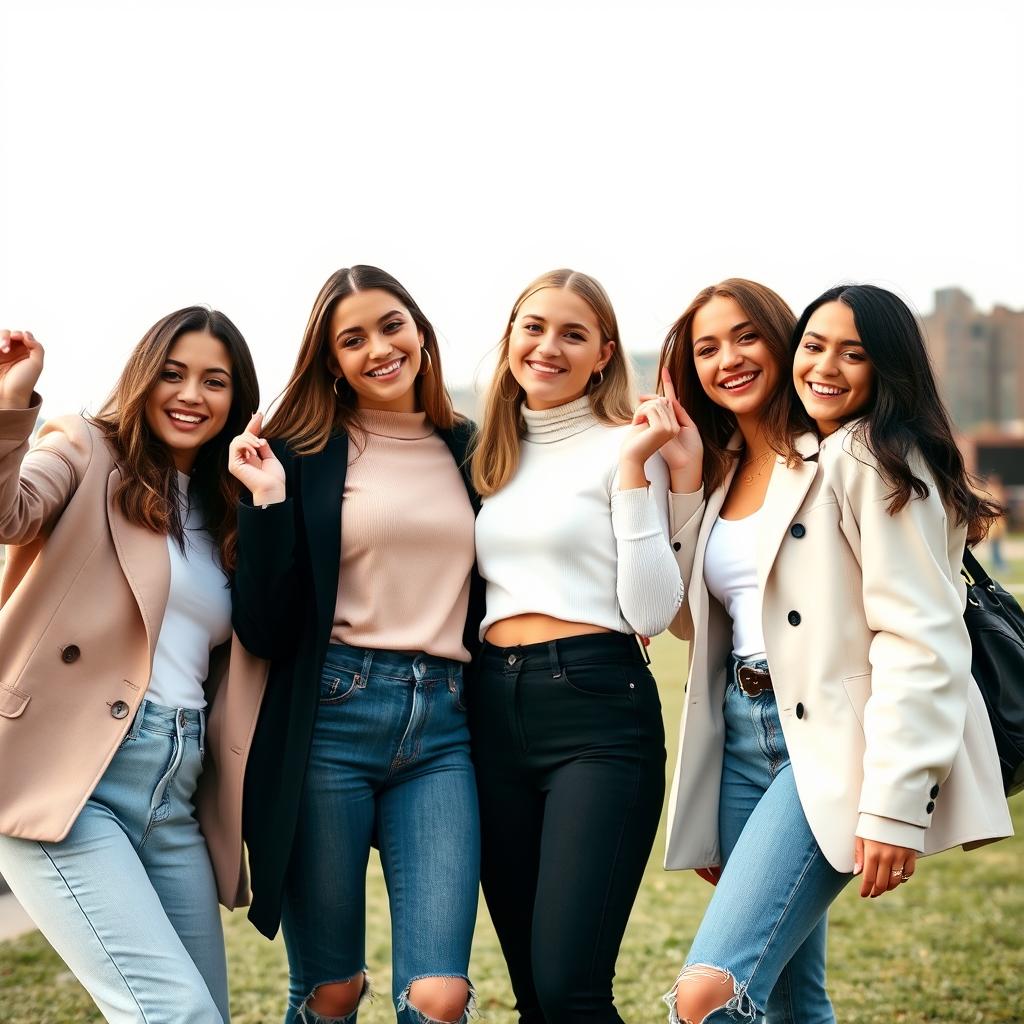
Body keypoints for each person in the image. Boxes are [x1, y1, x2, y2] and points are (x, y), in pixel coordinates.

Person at [660, 281, 1013, 1024]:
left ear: (778, 341)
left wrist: (893, 805)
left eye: (747, 337)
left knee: (709, 995)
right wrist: (686, 479)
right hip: (742, 741)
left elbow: (919, 636)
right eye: (707, 347)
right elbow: (689, 625)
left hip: (832, 744)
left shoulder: (863, 452)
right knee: (789, 996)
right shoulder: (725, 471)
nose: (729, 359)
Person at [228, 266, 483, 1024]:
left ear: (420, 330)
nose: (379, 347)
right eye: (353, 338)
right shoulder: (300, 452)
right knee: (330, 992)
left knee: (440, 996)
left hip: (442, 727)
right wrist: (268, 502)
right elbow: (264, 627)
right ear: (330, 359)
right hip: (330, 722)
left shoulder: (468, 446)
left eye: (391, 325)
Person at [0, 310, 265, 1024]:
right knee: (174, 1013)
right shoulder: (86, 449)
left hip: (173, 794)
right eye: (174, 374)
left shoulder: (226, 505)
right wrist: (11, 402)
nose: (191, 394)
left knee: (202, 1009)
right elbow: (8, 515)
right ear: (144, 377)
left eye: (215, 381)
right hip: (66, 779)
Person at [470, 268, 684, 1024]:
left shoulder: (631, 446)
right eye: (534, 327)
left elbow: (652, 608)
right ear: (510, 340)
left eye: (572, 333)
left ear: (604, 353)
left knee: (571, 989)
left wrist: (632, 471)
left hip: (596, 710)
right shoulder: (484, 457)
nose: (548, 347)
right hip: (490, 710)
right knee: (533, 992)